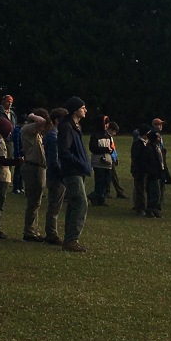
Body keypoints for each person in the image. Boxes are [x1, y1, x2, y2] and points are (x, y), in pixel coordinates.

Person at [58, 97, 92, 252]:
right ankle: (71, 240)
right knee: (81, 203)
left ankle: (69, 239)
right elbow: (64, 151)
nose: (85, 110)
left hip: (77, 170)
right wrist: (79, 163)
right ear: (75, 109)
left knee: (73, 204)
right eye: (83, 107)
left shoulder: (75, 127)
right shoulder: (67, 127)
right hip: (73, 171)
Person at [19, 110, 48, 241]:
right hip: (33, 167)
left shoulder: (36, 133)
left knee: (37, 202)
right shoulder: (27, 129)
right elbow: (42, 121)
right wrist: (32, 115)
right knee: (33, 201)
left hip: (38, 167)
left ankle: (33, 229)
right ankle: (29, 231)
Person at [43, 108, 66, 245]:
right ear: (57, 120)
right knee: (54, 206)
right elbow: (54, 160)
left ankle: (51, 232)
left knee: (55, 205)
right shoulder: (54, 136)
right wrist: (62, 173)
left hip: (55, 175)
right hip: (56, 176)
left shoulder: (53, 135)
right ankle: (51, 233)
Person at [144, 117, 170, 218]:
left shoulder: (157, 147)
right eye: (159, 124)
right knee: (153, 191)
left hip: (159, 171)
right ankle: (151, 209)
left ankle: (156, 208)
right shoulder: (150, 148)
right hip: (153, 173)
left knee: (159, 191)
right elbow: (150, 162)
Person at [90, 115, 115, 206]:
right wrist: (106, 149)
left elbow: (112, 147)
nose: (106, 125)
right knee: (99, 181)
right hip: (98, 162)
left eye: (107, 123)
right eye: (105, 123)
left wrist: (112, 152)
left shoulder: (108, 135)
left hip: (107, 162)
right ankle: (96, 197)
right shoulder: (95, 135)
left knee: (106, 182)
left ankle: (100, 198)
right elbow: (93, 148)